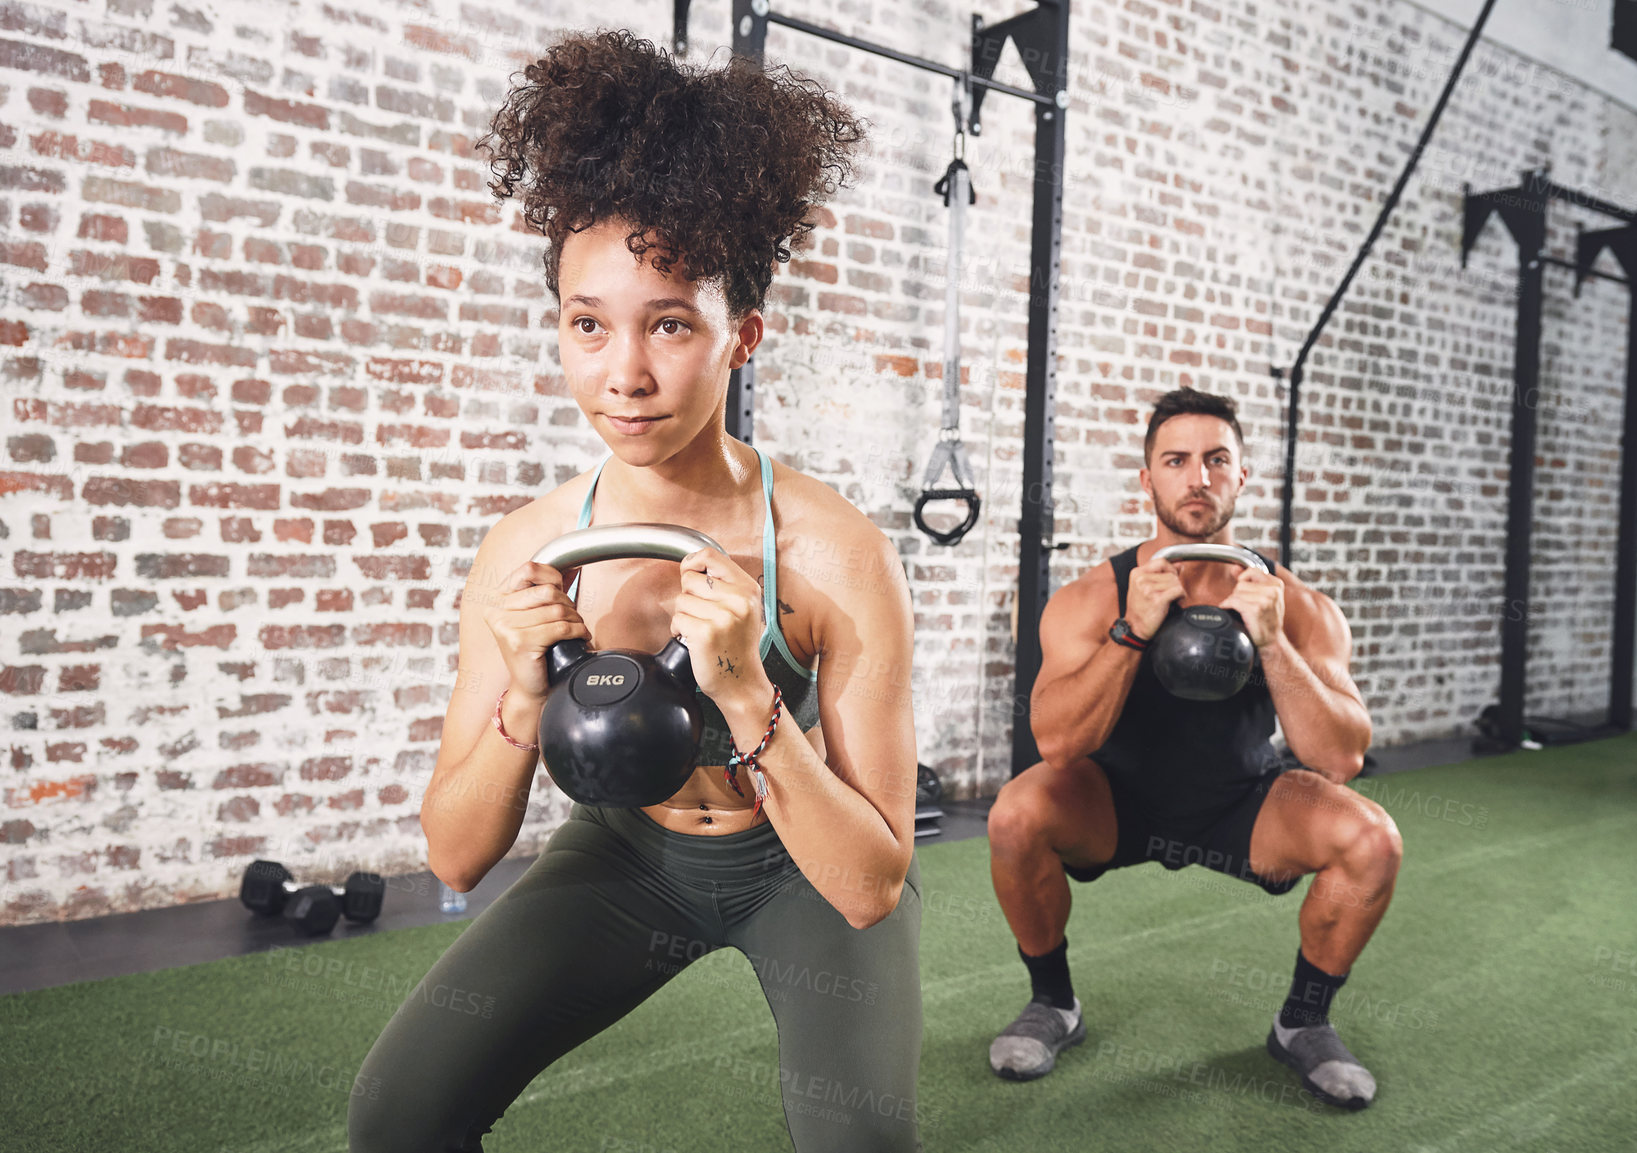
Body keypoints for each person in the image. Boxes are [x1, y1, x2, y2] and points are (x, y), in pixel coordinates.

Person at [349, 30, 926, 1152]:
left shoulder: (830, 552)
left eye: (669, 323)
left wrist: (750, 694)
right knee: (397, 1116)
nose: (623, 373)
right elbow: (456, 855)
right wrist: (522, 693)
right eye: (586, 323)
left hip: (797, 866)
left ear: (739, 337)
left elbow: (868, 882)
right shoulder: (529, 548)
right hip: (624, 856)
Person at [985, 386, 1400, 1109]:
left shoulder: (1295, 604)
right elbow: (1054, 741)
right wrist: (1132, 630)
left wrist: (1271, 641)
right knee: (1016, 814)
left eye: (1216, 459)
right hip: (1118, 801)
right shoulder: (1092, 597)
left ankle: (1302, 1022)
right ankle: (1054, 1004)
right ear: (1148, 479)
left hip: (1244, 800)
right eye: (1176, 460)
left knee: (1373, 840)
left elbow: (1339, 757)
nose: (1197, 477)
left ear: (1242, 476)